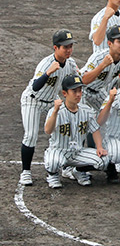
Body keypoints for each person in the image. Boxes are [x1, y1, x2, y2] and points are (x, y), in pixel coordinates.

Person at [19, 29, 79, 186]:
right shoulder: (46, 63)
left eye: (70, 46)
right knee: (31, 135)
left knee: (67, 131)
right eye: (65, 47)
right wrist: (47, 73)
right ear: (56, 48)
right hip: (33, 100)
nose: (69, 50)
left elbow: (78, 80)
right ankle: (25, 172)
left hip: (53, 101)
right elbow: (35, 87)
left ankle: (66, 168)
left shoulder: (71, 64)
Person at [43, 75, 109, 188]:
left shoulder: (86, 111)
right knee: (53, 162)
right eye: (74, 91)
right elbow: (48, 130)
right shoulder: (56, 111)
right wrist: (55, 112)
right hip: (59, 151)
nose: (78, 94)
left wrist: (99, 147)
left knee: (104, 160)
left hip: (78, 153)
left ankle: (78, 170)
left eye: (80, 91)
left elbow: (95, 130)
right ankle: (53, 176)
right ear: (65, 93)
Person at [81, 26, 120, 111]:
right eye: (119, 41)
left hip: (99, 91)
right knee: (80, 117)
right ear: (110, 43)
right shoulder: (98, 57)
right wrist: (103, 65)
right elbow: (84, 80)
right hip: (81, 90)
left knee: (111, 112)